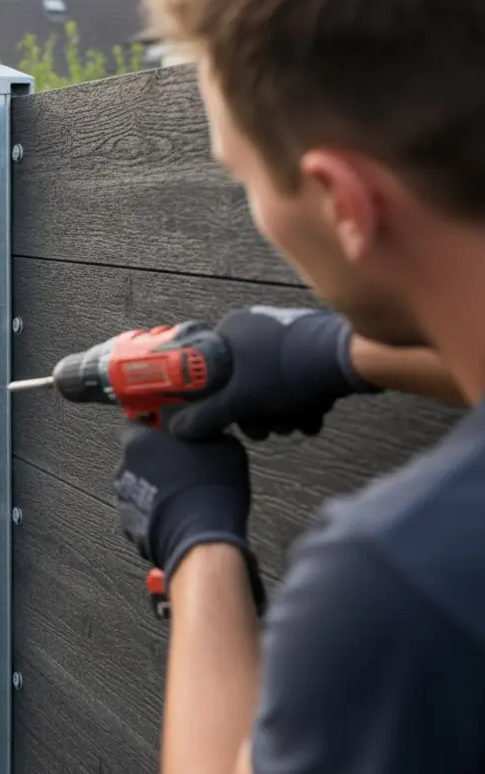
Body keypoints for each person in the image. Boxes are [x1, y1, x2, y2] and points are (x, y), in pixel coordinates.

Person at [110, 0, 485, 771]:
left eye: (240, 174)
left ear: (343, 202)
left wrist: (197, 544)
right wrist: (343, 353)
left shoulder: (398, 586)